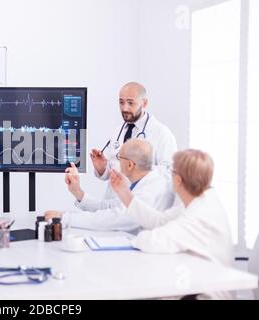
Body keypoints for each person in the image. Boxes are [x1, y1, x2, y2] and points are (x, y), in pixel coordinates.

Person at [110, 149, 234, 299]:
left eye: (171, 171)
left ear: (178, 180)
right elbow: (159, 221)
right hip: (192, 282)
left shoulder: (199, 214)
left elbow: (154, 241)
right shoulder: (198, 201)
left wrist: (133, 239)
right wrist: (125, 192)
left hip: (204, 294)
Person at [81, 82, 177, 212]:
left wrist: (136, 169)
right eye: (121, 102)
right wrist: (102, 169)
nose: (125, 108)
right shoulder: (118, 130)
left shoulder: (161, 134)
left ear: (144, 103)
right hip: (112, 203)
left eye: (131, 103)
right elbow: (112, 171)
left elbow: (168, 174)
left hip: (140, 205)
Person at [45, 139, 175, 232]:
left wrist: (64, 218)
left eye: (119, 157)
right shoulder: (141, 182)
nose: (116, 161)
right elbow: (111, 207)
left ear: (130, 165)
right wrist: (78, 192)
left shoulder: (150, 190)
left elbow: (114, 218)